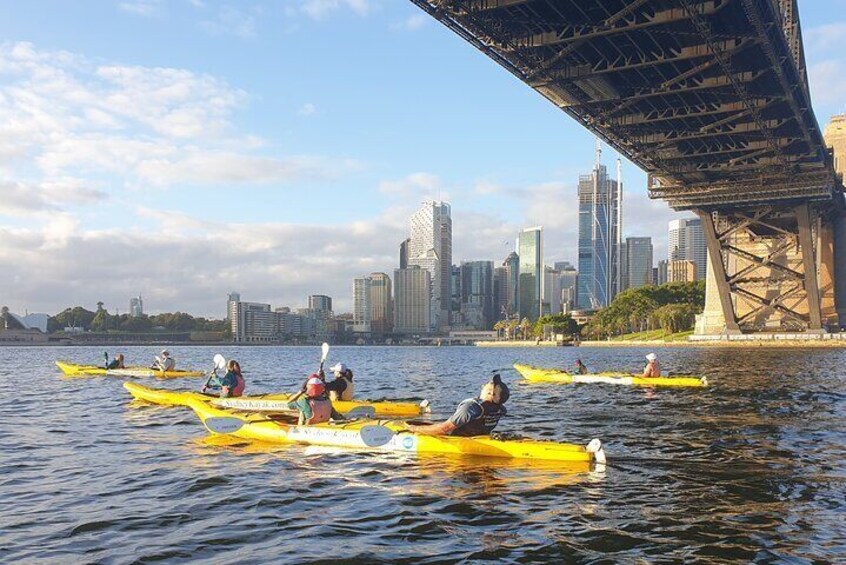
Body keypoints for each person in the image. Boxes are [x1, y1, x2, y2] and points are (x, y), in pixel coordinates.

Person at [406, 374, 509, 437]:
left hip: (458, 437)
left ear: (491, 393)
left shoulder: (471, 407)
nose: (486, 383)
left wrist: (414, 429)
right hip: (479, 436)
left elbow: (445, 429)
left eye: (490, 384)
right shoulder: (501, 409)